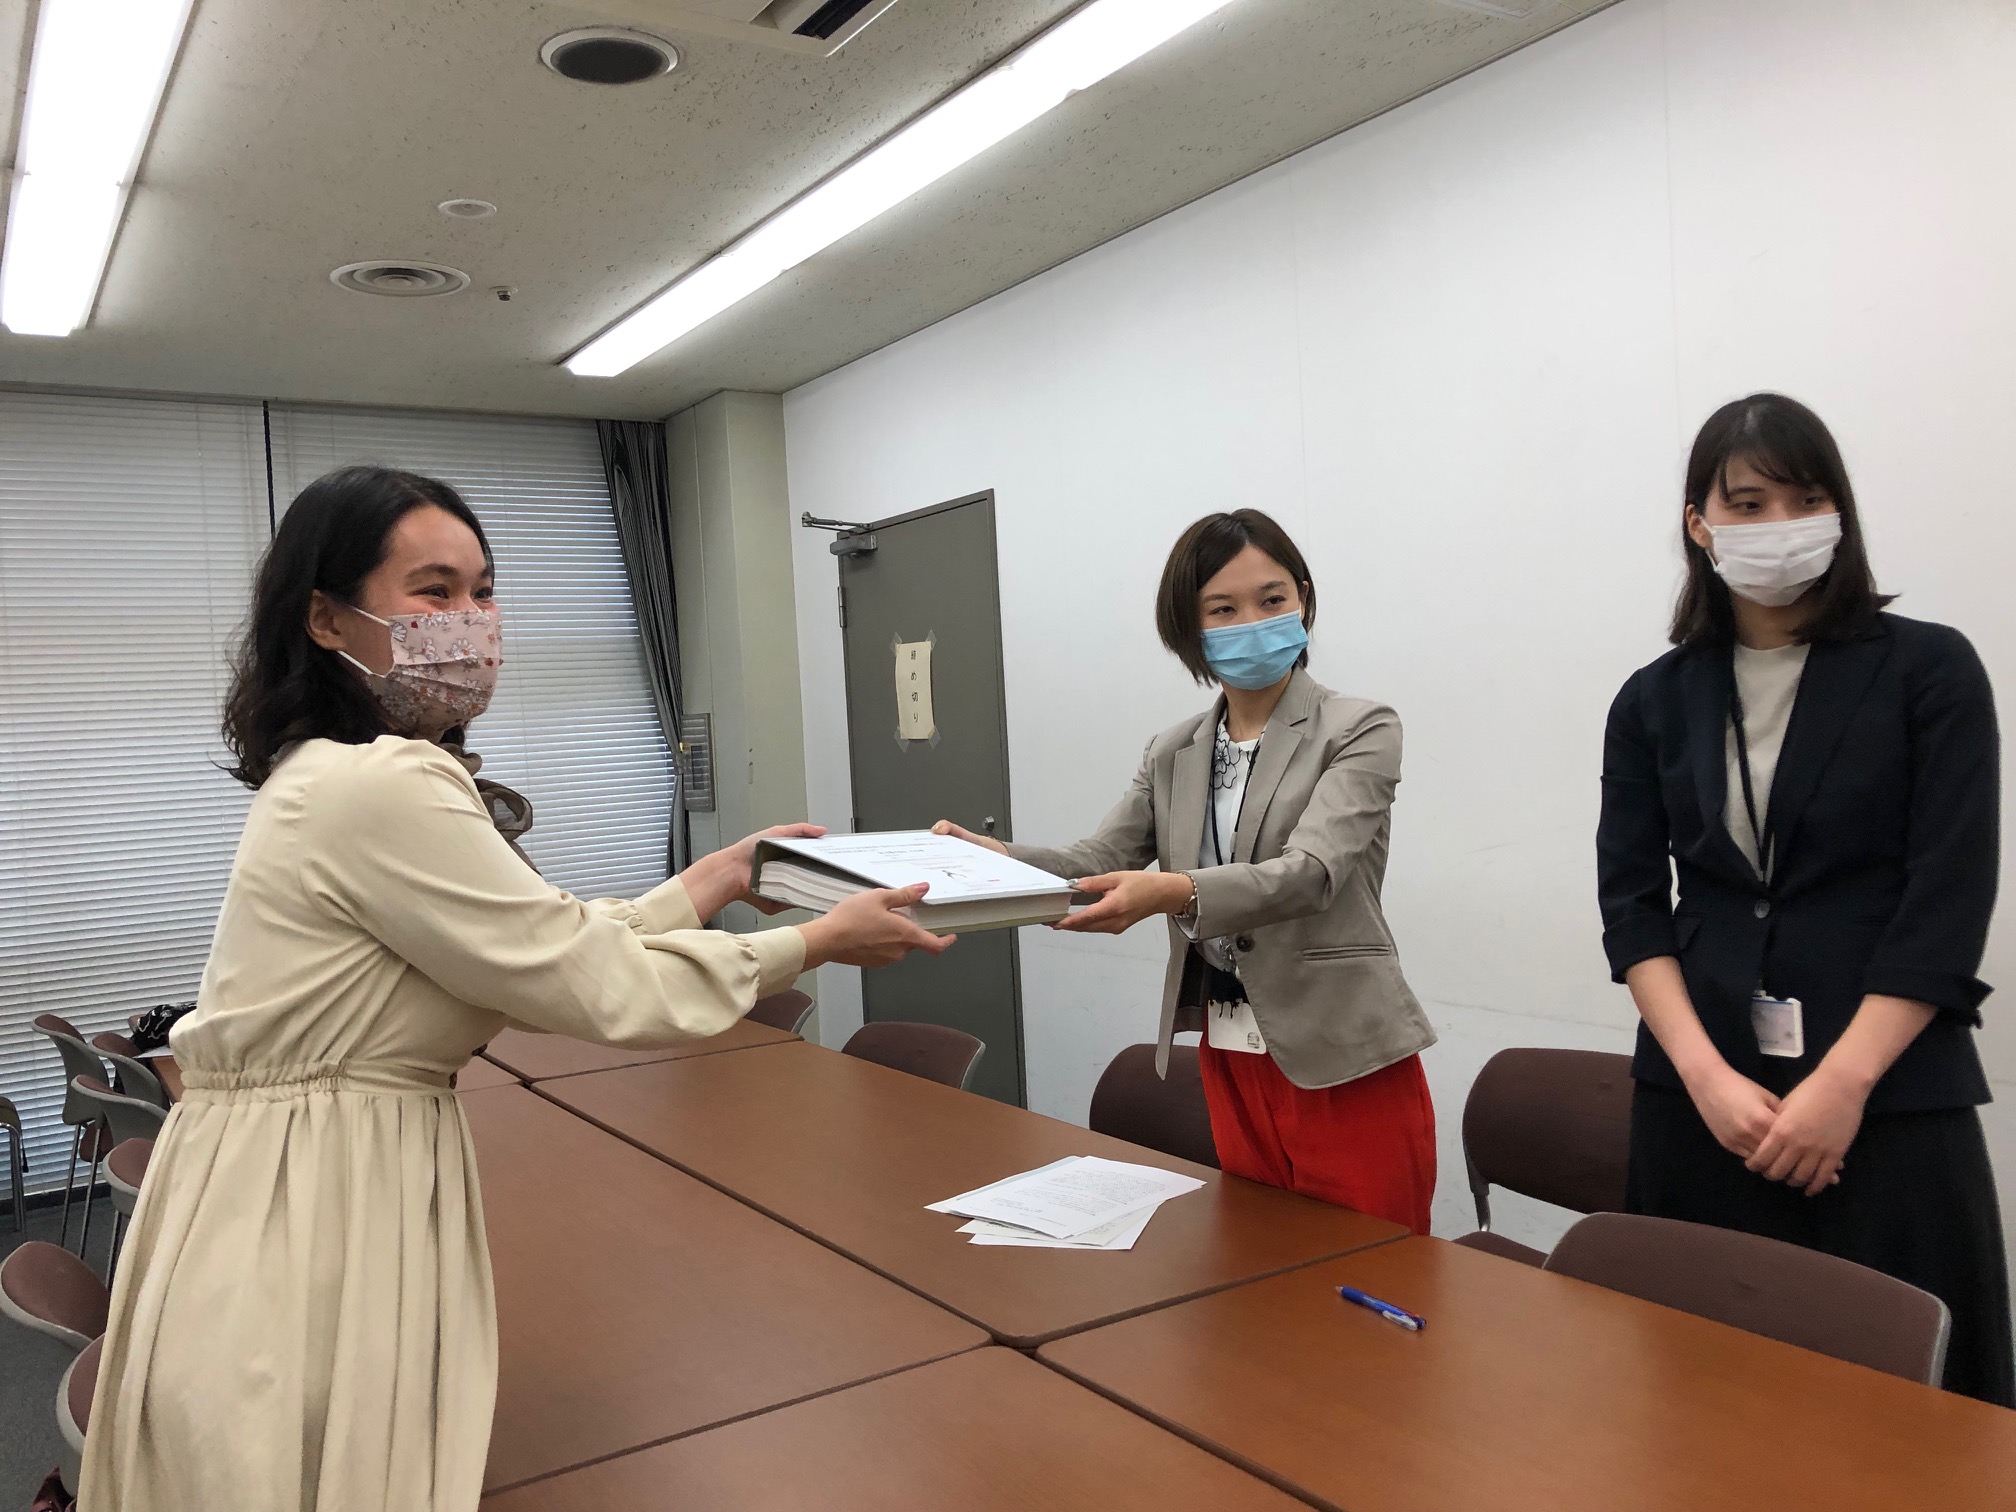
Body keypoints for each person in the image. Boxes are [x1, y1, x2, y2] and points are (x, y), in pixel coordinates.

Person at [79, 466, 949, 1509]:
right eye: (433, 591)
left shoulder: (325, 773)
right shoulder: (385, 783)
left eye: (483, 591)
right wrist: (810, 943)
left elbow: (533, 946)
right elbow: (587, 983)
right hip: (319, 1190)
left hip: (284, 1170)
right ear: (325, 618)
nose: (471, 623)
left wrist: (712, 879)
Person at [1597, 393, 2012, 1405]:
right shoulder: (1653, 698)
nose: (1779, 524)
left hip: (1888, 1096)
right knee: (1702, 1397)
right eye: (1747, 503)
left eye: (1806, 498)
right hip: (1702, 1102)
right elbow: (1634, 908)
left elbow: (1948, 902)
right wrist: (1703, 1077)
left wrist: (1842, 1087)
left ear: (1841, 512)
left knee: (1917, 1412)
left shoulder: (1929, 669)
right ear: (1699, 524)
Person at [937, 509, 1437, 1231]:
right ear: (1188, 627)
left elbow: (1311, 873)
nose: (1252, 622)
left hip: (1343, 1050)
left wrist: (1174, 891)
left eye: (1272, 599)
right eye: (1222, 609)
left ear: (1303, 599)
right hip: (1228, 1044)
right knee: (1258, 1250)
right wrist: (1003, 859)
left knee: (1374, 1263)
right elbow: (1100, 860)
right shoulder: (1172, 750)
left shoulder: (1358, 727)